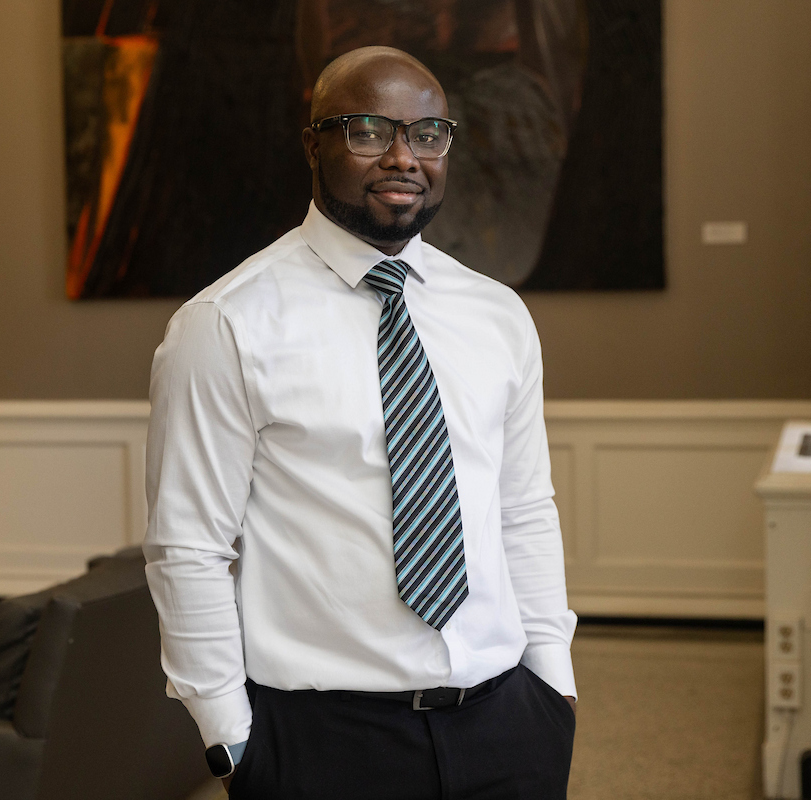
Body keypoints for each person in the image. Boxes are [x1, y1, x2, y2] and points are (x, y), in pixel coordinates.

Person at [144, 45, 577, 799]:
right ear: (314, 145)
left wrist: (553, 686)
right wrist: (230, 738)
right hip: (325, 743)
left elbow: (524, 510)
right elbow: (188, 546)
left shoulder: (497, 314)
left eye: (428, 134)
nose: (404, 157)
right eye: (369, 131)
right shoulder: (225, 324)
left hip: (508, 724)